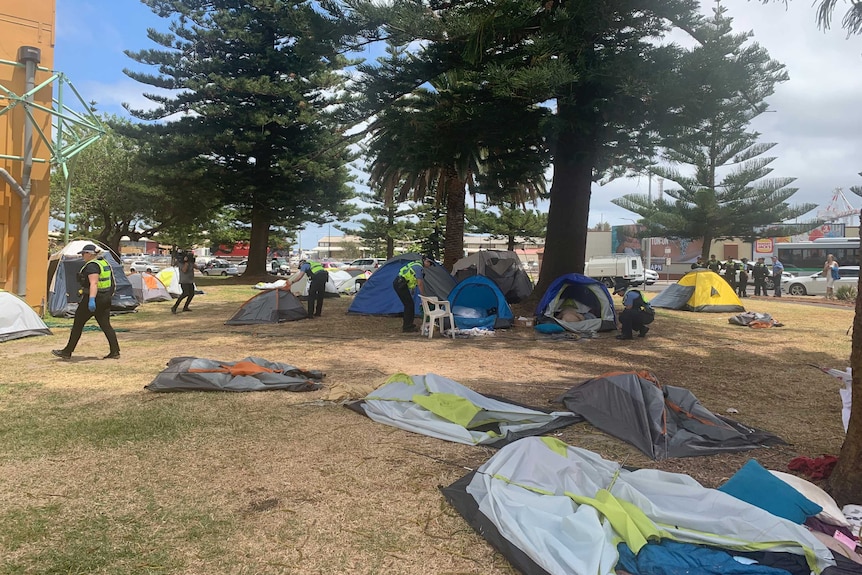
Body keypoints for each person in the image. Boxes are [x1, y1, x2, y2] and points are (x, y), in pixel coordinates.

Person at [52, 244, 121, 360]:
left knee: (78, 325)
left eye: (84, 253)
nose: (82, 256)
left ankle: (67, 352)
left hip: (94, 298)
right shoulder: (103, 262)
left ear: (89, 254)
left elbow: (93, 283)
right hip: (105, 298)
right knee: (106, 325)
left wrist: (92, 300)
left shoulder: (92, 266)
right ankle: (115, 351)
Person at [392, 255, 433, 333]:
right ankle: (407, 327)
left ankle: (408, 325)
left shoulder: (416, 264)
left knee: (409, 304)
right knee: (409, 305)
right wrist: (424, 296)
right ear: (426, 261)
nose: (429, 266)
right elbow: (420, 283)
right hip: (400, 284)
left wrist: (412, 290)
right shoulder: (419, 268)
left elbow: (411, 280)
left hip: (400, 284)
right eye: (430, 264)